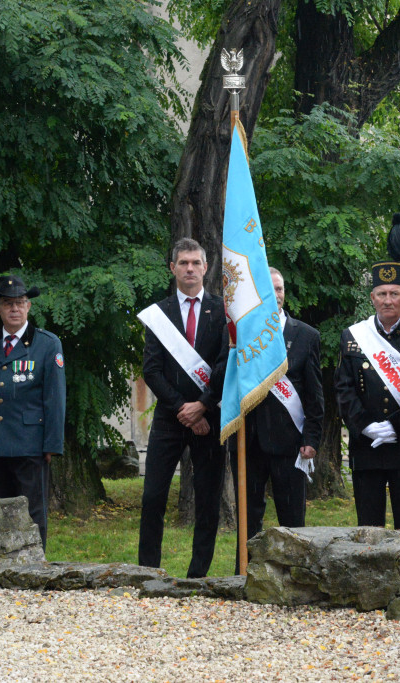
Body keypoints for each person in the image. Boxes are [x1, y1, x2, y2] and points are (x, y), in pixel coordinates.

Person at [336, 214, 400, 529]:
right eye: (382, 294)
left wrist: (397, 426)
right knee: (368, 531)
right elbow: (344, 389)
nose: (388, 300)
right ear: (372, 298)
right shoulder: (354, 336)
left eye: (395, 294)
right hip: (367, 449)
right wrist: (366, 426)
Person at [137, 237, 228, 578]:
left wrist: (203, 406)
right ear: (172, 268)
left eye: (196, 263)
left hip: (212, 416)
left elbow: (226, 362)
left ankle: (198, 574)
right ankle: (147, 571)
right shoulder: (159, 314)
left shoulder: (222, 312)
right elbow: (152, 369)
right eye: (183, 263)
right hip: (170, 418)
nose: (190, 268)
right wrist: (184, 410)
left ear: (206, 267)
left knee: (207, 500)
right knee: (152, 497)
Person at [0, 275, 66, 547]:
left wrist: (52, 444)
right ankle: (7, 565)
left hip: (30, 443)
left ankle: (35, 565)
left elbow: (55, 399)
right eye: (8, 303)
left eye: (20, 303)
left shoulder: (47, 344)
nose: (15, 309)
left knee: (32, 511)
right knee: (1, 510)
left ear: (29, 307)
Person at [229, 267, 324, 545]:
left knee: (293, 521)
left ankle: (295, 578)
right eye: (269, 289)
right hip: (249, 441)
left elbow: (314, 395)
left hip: (291, 443)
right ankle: (244, 576)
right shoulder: (241, 335)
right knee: (248, 521)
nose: (276, 294)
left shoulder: (306, 336)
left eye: (280, 288)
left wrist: (312, 438)